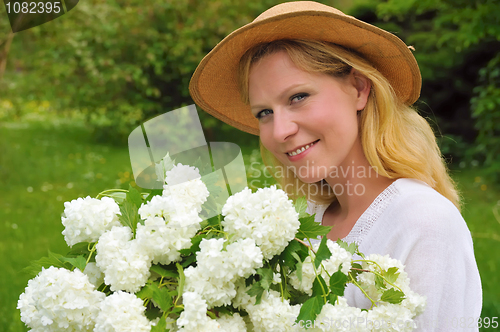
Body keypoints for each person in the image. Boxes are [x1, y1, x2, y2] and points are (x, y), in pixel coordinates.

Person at [189, 1, 482, 330]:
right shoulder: (301, 222)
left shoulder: (423, 225)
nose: (280, 130)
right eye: (264, 113)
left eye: (298, 97)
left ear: (358, 88)